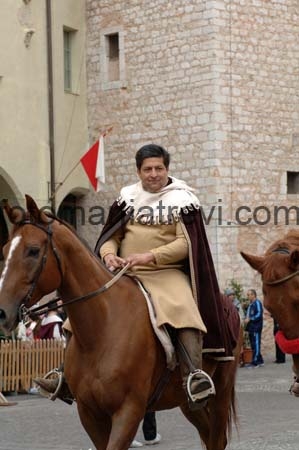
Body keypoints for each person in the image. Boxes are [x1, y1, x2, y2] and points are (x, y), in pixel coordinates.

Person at [34, 143, 234, 407]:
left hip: (165, 272)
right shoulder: (127, 198)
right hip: (125, 273)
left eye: (158, 168)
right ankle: (67, 375)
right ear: (139, 171)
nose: (153, 174)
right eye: (148, 169)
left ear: (167, 169)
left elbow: (186, 244)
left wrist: (151, 255)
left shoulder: (183, 200)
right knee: (80, 315)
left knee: (181, 307)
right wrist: (108, 255)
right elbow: (110, 237)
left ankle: (193, 376)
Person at [243, 289, 264, 368]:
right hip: (251, 328)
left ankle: (256, 362)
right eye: (247, 295)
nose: (248, 296)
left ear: (253, 295)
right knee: (253, 345)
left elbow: (259, 314)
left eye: (249, 295)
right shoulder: (251, 304)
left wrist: (250, 318)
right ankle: (260, 360)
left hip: (256, 327)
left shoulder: (257, 303)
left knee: (256, 345)